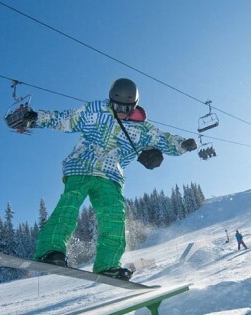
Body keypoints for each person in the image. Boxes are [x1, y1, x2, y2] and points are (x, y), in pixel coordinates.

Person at [18, 78, 197, 280]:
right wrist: (36, 117)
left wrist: (183, 145)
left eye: (125, 108)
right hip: (81, 166)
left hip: (111, 175)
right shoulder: (96, 110)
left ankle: (108, 264)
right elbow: (66, 119)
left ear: (134, 105)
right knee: (69, 205)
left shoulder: (143, 129)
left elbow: (164, 139)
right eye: (116, 105)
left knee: (114, 217)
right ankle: (51, 251)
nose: (120, 111)